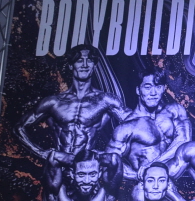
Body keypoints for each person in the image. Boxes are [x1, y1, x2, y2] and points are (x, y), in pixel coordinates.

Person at [17, 44, 126, 178]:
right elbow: (19, 128)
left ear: (94, 66)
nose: (84, 65)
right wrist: (42, 153)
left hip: (88, 172)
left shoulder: (106, 100)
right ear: (70, 65)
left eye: (89, 60)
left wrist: (111, 153)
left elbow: (135, 126)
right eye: (79, 60)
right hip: (57, 170)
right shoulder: (53, 102)